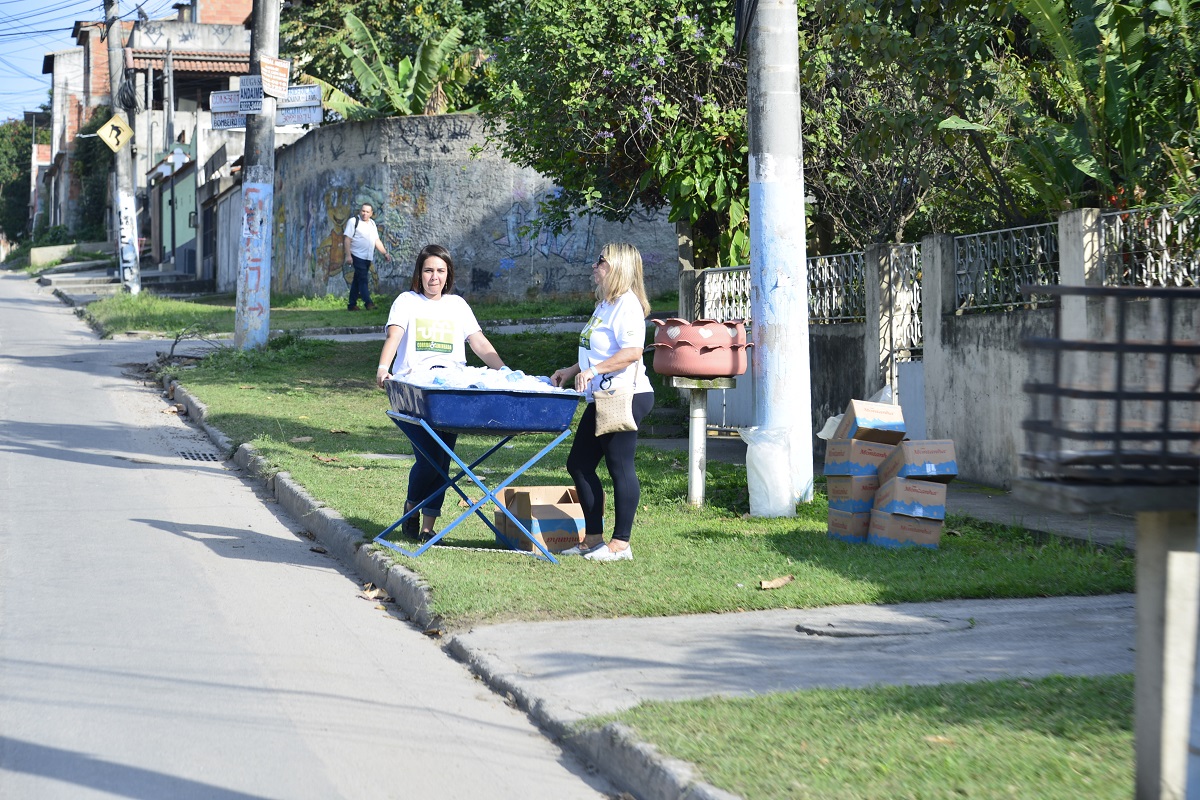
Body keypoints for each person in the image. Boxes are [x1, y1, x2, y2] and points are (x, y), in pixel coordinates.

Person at [376, 244, 506, 542]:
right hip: (415, 391)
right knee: (427, 460)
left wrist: (504, 370)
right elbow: (394, 336)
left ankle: (427, 528)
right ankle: (411, 508)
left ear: (448, 275)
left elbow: (479, 343)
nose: (434, 277)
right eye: (428, 270)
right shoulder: (406, 301)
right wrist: (384, 367)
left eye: (440, 271)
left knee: (444, 460)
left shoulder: (457, 305)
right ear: (419, 274)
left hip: (450, 392)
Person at [551, 243, 654, 562]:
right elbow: (597, 351)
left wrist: (594, 370)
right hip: (603, 394)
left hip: (626, 394)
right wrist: (571, 370)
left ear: (619, 267)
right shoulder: (605, 304)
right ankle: (593, 538)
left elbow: (632, 352)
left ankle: (621, 544)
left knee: (619, 466)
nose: (595, 265)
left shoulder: (627, 305)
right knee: (578, 464)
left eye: (602, 261)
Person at [343, 203, 392, 311]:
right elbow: (347, 239)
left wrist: (385, 253)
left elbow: (376, 241)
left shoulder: (372, 224)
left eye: (367, 212)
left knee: (357, 280)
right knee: (363, 279)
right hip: (356, 255)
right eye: (363, 211)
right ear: (360, 211)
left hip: (367, 257)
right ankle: (368, 303)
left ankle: (352, 305)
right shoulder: (353, 221)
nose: (364, 213)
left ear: (371, 213)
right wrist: (348, 256)